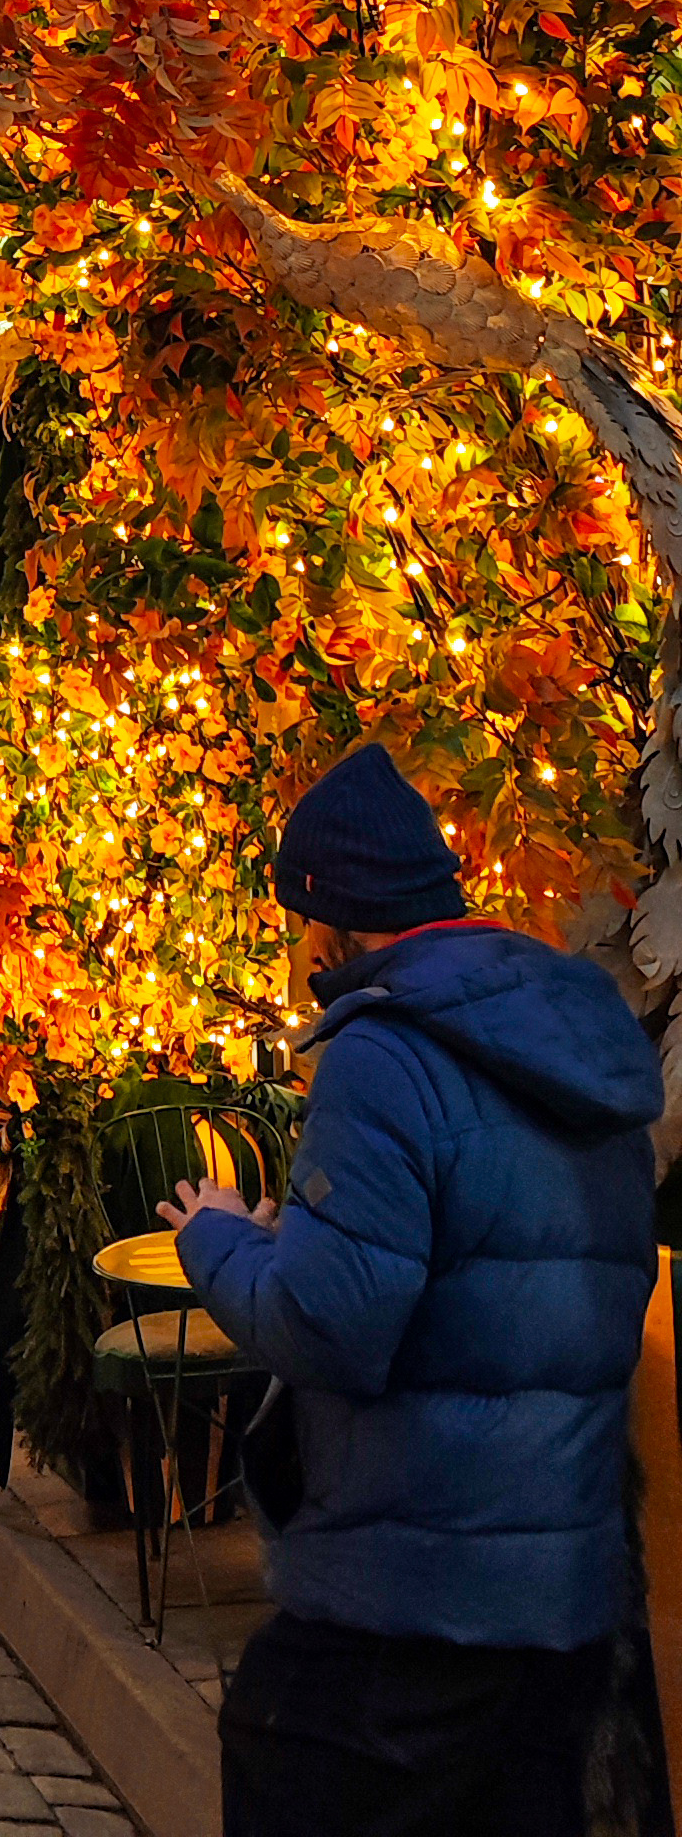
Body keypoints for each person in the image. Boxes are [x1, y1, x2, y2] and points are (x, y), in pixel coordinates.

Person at [168, 741, 662, 1837]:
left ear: (335, 915)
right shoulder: (576, 1036)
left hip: (412, 1590)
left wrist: (219, 1240)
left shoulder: (383, 1053)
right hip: (565, 1594)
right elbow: (513, 1281)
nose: (299, 947)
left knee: (274, 1749)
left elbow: (330, 1324)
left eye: (300, 919)